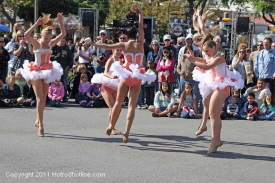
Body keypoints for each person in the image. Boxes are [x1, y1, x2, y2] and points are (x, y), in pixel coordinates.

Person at [90, 7, 156, 143]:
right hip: (137, 75)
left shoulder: (123, 44)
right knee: (131, 106)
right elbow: (142, 28)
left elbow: (107, 47)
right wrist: (140, 14)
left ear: (127, 34)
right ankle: (126, 132)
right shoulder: (140, 44)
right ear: (136, 34)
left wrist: (93, 43)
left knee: (118, 104)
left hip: (126, 75)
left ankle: (111, 125)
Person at [184, 39, 244, 153]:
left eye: (207, 51)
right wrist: (195, 57)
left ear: (214, 48)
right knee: (205, 102)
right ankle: (204, 127)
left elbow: (207, 66)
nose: (206, 53)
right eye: (204, 51)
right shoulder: (210, 56)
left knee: (213, 113)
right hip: (213, 83)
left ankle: (215, 140)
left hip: (222, 85)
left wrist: (192, 60)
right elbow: (205, 61)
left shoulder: (219, 58)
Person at [19, 13, 65, 137]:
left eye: (49, 38)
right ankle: (41, 125)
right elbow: (26, 35)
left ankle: (38, 119)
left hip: (47, 71)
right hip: (36, 71)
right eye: (45, 38)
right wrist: (36, 24)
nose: (47, 41)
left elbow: (63, 35)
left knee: (44, 99)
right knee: (39, 98)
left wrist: (60, 21)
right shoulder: (36, 44)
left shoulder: (50, 44)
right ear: (41, 36)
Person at [91, 48, 122, 134]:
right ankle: (111, 127)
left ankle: (113, 126)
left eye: (120, 50)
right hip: (107, 84)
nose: (119, 52)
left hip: (116, 86)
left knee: (118, 109)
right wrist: (111, 77)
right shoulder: (110, 60)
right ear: (113, 50)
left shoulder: (121, 61)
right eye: (117, 50)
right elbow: (105, 72)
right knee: (113, 108)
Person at [57, 37, 73, 102]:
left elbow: (70, 59)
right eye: (61, 41)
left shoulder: (67, 49)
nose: (63, 42)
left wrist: (68, 67)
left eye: (64, 41)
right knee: (55, 83)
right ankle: (55, 96)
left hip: (64, 69)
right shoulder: (55, 48)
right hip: (56, 69)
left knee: (64, 84)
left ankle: (64, 97)